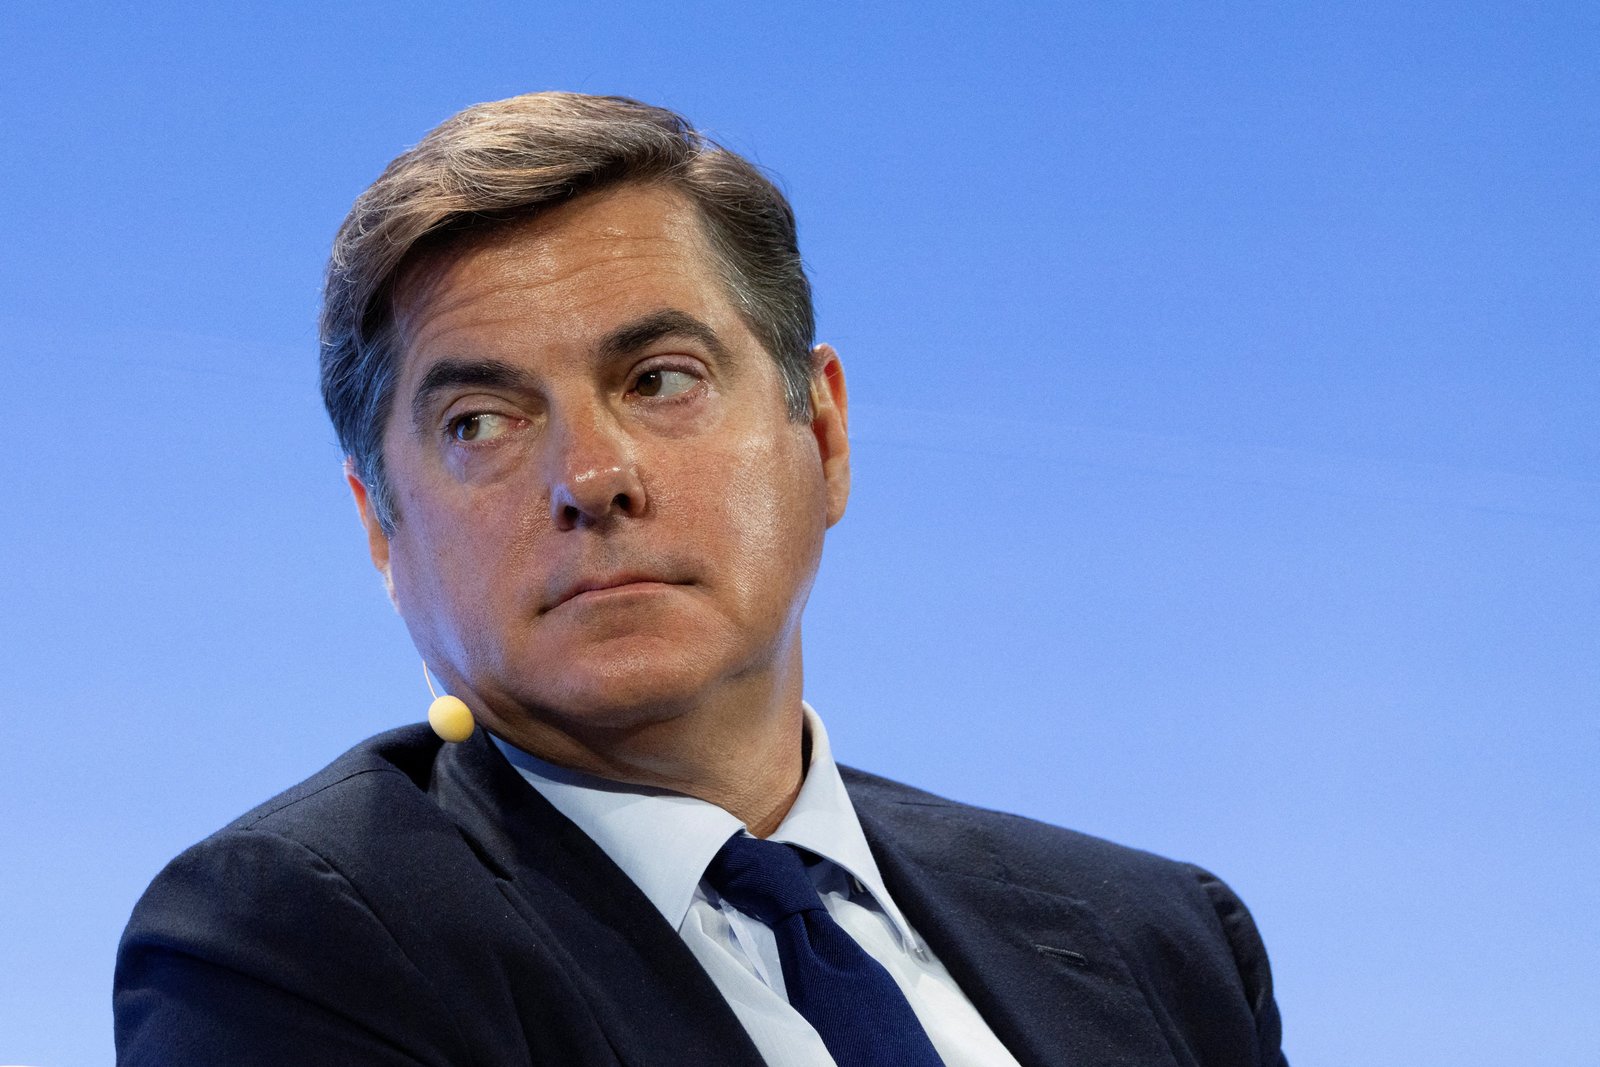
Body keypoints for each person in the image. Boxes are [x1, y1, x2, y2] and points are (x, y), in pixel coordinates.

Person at [114, 92, 1288, 1066]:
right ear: (383, 529)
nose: (591, 478)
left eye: (660, 379)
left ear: (821, 431)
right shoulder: (287, 943)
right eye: (480, 420)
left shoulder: (1160, 938)